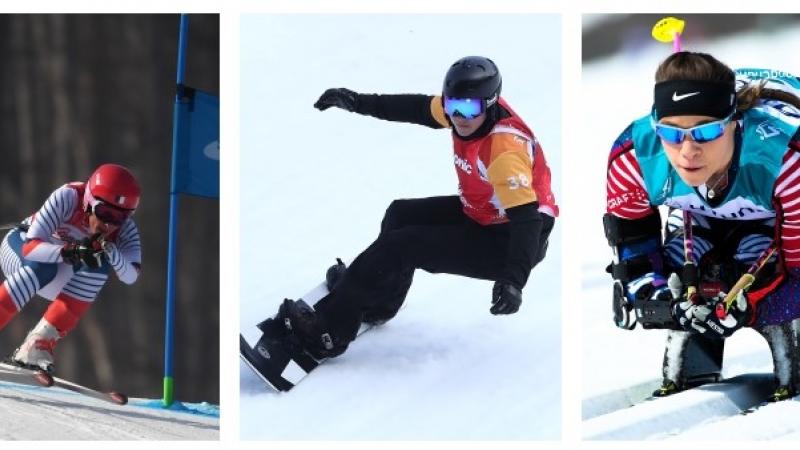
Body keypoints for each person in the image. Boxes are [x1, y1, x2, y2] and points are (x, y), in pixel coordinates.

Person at [260, 55, 558, 359]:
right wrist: (357, 102)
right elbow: (414, 108)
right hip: (486, 216)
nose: (459, 117)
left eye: (469, 108)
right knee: (399, 214)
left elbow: (528, 221)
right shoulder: (469, 110)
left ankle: (329, 333)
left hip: (510, 243)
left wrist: (513, 282)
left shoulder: (503, 153)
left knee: (402, 245)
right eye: (452, 105)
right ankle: (378, 300)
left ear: (490, 103)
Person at [604, 51, 800, 402]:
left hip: (778, 207)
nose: (687, 151)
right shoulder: (633, 157)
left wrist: (754, 303)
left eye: (706, 132)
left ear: (734, 123)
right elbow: (635, 261)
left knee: (764, 272)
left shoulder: (786, 160)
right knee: (685, 277)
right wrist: (666, 301)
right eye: (671, 133)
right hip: (704, 216)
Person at [0, 163, 142, 373]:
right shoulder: (69, 196)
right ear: (89, 200)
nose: (109, 224)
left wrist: (111, 252)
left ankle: (37, 344)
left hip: (58, 272)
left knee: (99, 266)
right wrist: (71, 251)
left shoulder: (125, 231)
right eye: (103, 212)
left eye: (120, 217)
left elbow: (131, 275)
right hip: (20, 251)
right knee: (43, 267)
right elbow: (31, 248)